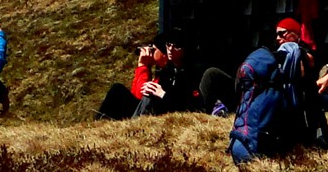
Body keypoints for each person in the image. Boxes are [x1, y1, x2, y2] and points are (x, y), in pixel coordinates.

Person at [229, 17, 328, 163]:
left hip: (243, 138)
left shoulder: (291, 58)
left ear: (296, 34)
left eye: (282, 33)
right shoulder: (282, 60)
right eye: (277, 34)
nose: (278, 38)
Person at [96, 31, 235, 119]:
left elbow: (188, 105)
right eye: (168, 44)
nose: (170, 48)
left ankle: (131, 127)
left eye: (153, 49)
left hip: (174, 113)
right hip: (159, 108)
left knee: (123, 92)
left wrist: (143, 66)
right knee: (118, 90)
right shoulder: (168, 71)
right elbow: (139, 95)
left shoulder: (191, 72)